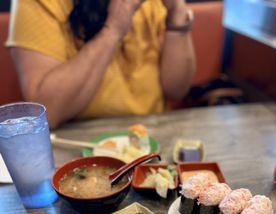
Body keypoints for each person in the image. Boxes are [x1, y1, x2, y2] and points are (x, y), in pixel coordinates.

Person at [7, 0, 196, 128]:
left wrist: (176, 12)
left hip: (152, 134)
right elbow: (48, 112)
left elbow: (177, 90)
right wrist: (113, 29)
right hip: (77, 140)